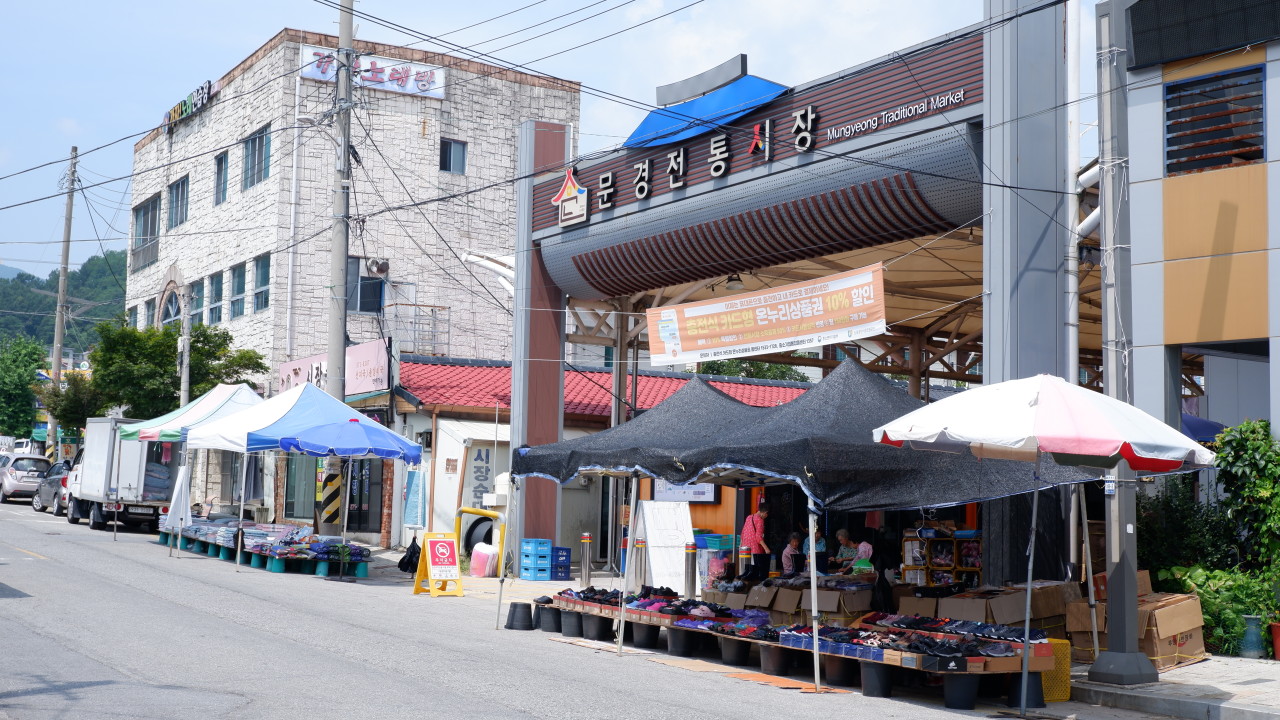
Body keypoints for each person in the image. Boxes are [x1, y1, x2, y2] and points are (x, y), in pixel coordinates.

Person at [740, 501, 771, 580]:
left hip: (746, 547)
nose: (766, 516)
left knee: (748, 569)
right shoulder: (760, 520)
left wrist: (741, 545)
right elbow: (758, 537)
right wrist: (766, 548)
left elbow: (743, 532)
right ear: (765, 512)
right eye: (767, 514)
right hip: (754, 548)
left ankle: (745, 574)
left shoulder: (749, 517)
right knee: (755, 571)